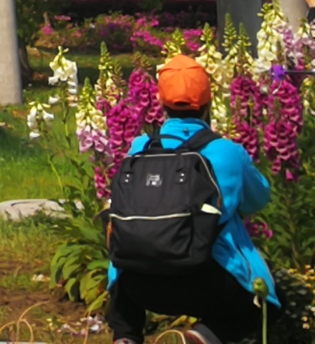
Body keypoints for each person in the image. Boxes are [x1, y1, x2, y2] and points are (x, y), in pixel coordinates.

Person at [106, 53, 282, 344]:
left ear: (161, 104)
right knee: (269, 303)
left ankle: (125, 337)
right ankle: (204, 337)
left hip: (138, 284)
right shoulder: (228, 151)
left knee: (124, 264)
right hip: (207, 281)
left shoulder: (138, 148)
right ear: (209, 103)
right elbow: (258, 199)